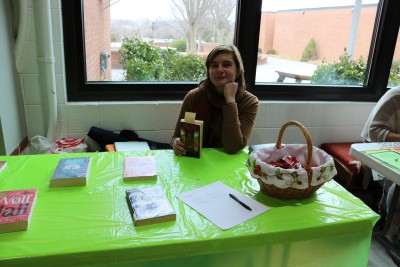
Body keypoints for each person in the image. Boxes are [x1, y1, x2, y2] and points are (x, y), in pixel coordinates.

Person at [170, 44, 259, 156]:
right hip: (195, 165)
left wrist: (230, 101)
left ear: (237, 70)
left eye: (226, 65)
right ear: (209, 71)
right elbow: (176, 137)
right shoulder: (194, 97)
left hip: (227, 166)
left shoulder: (250, 102)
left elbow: (233, 147)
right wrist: (176, 144)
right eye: (214, 65)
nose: (219, 70)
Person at [361, 85, 400, 240]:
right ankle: (392, 232)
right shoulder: (395, 97)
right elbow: (374, 132)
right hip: (374, 149)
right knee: (397, 186)